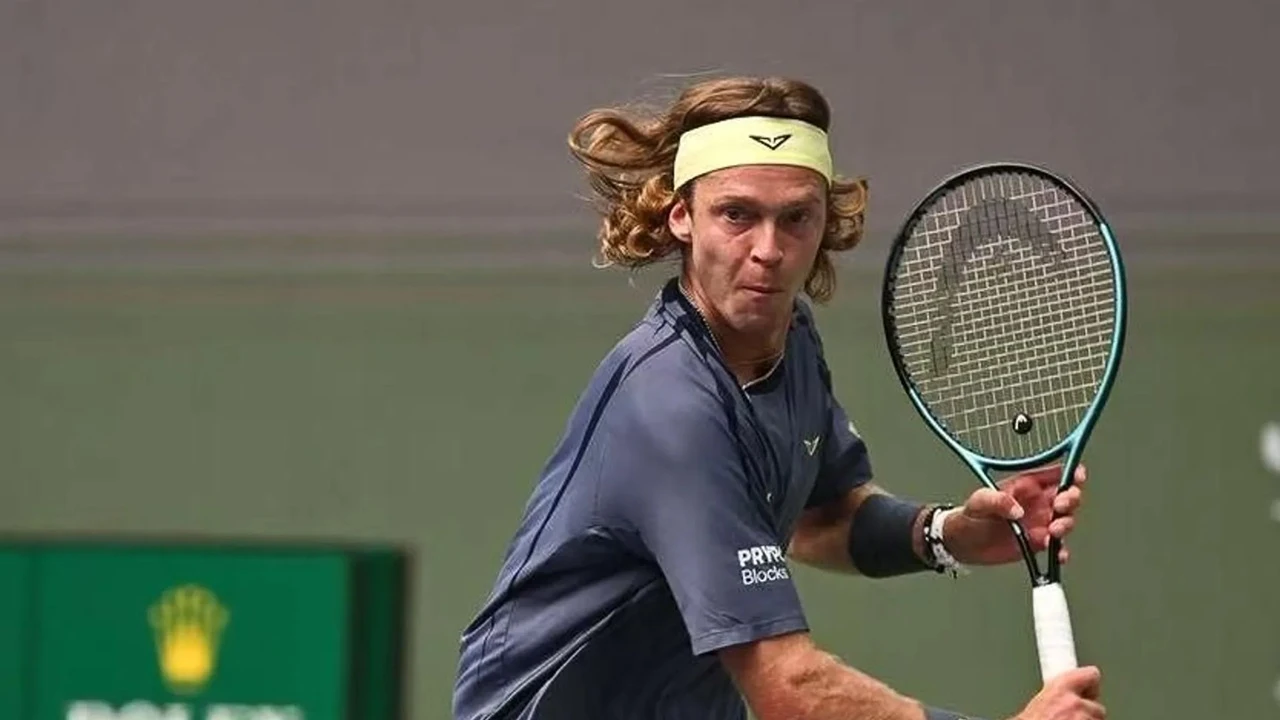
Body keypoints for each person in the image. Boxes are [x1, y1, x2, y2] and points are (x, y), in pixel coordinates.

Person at [451, 75, 1106, 720]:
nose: (769, 250)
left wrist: (948, 534)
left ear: (825, 222)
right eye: (737, 214)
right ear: (682, 217)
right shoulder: (670, 405)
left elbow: (818, 520)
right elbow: (787, 689)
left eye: (795, 218)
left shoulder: (790, 339)